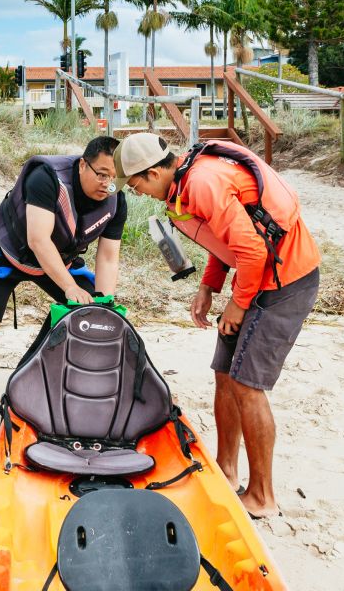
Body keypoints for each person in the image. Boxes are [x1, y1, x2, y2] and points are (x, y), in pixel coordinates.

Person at [113, 133, 320, 518]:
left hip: (285, 280)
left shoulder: (202, 183)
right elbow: (226, 238)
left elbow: (253, 251)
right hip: (256, 275)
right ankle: (226, 472)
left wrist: (237, 307)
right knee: (225, 374)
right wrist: (210, 285)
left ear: (155, 172)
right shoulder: (180, 189)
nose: (137, 192)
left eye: (137, 183)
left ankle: (262, 497)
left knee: (247, 383)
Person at [0, 136, 127, 442]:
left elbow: (108, 256)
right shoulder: (46, 178)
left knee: (90, 317)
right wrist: (70, 286)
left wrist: (104, 304)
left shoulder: (116, 199)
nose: (107, 185)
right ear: (82, 164)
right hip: (8, 250)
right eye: (101, 174)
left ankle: (34, 382)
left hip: (56, 260)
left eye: (115, 179)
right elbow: (38, 240)